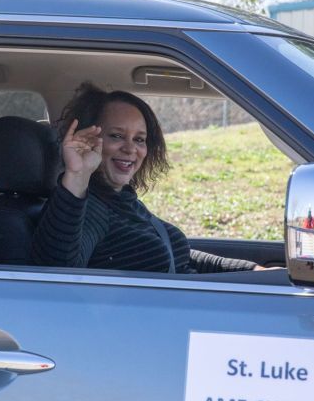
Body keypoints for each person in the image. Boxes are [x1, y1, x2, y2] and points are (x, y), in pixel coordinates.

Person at [31, 83, 268, 273]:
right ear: (88, 140)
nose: (130, 149)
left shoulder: (124, 201)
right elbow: (57, 272)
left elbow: (180, 256)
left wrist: (251, 270)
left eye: (139, 139)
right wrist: (78, 173)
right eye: (116, 136)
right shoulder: (92, 209)